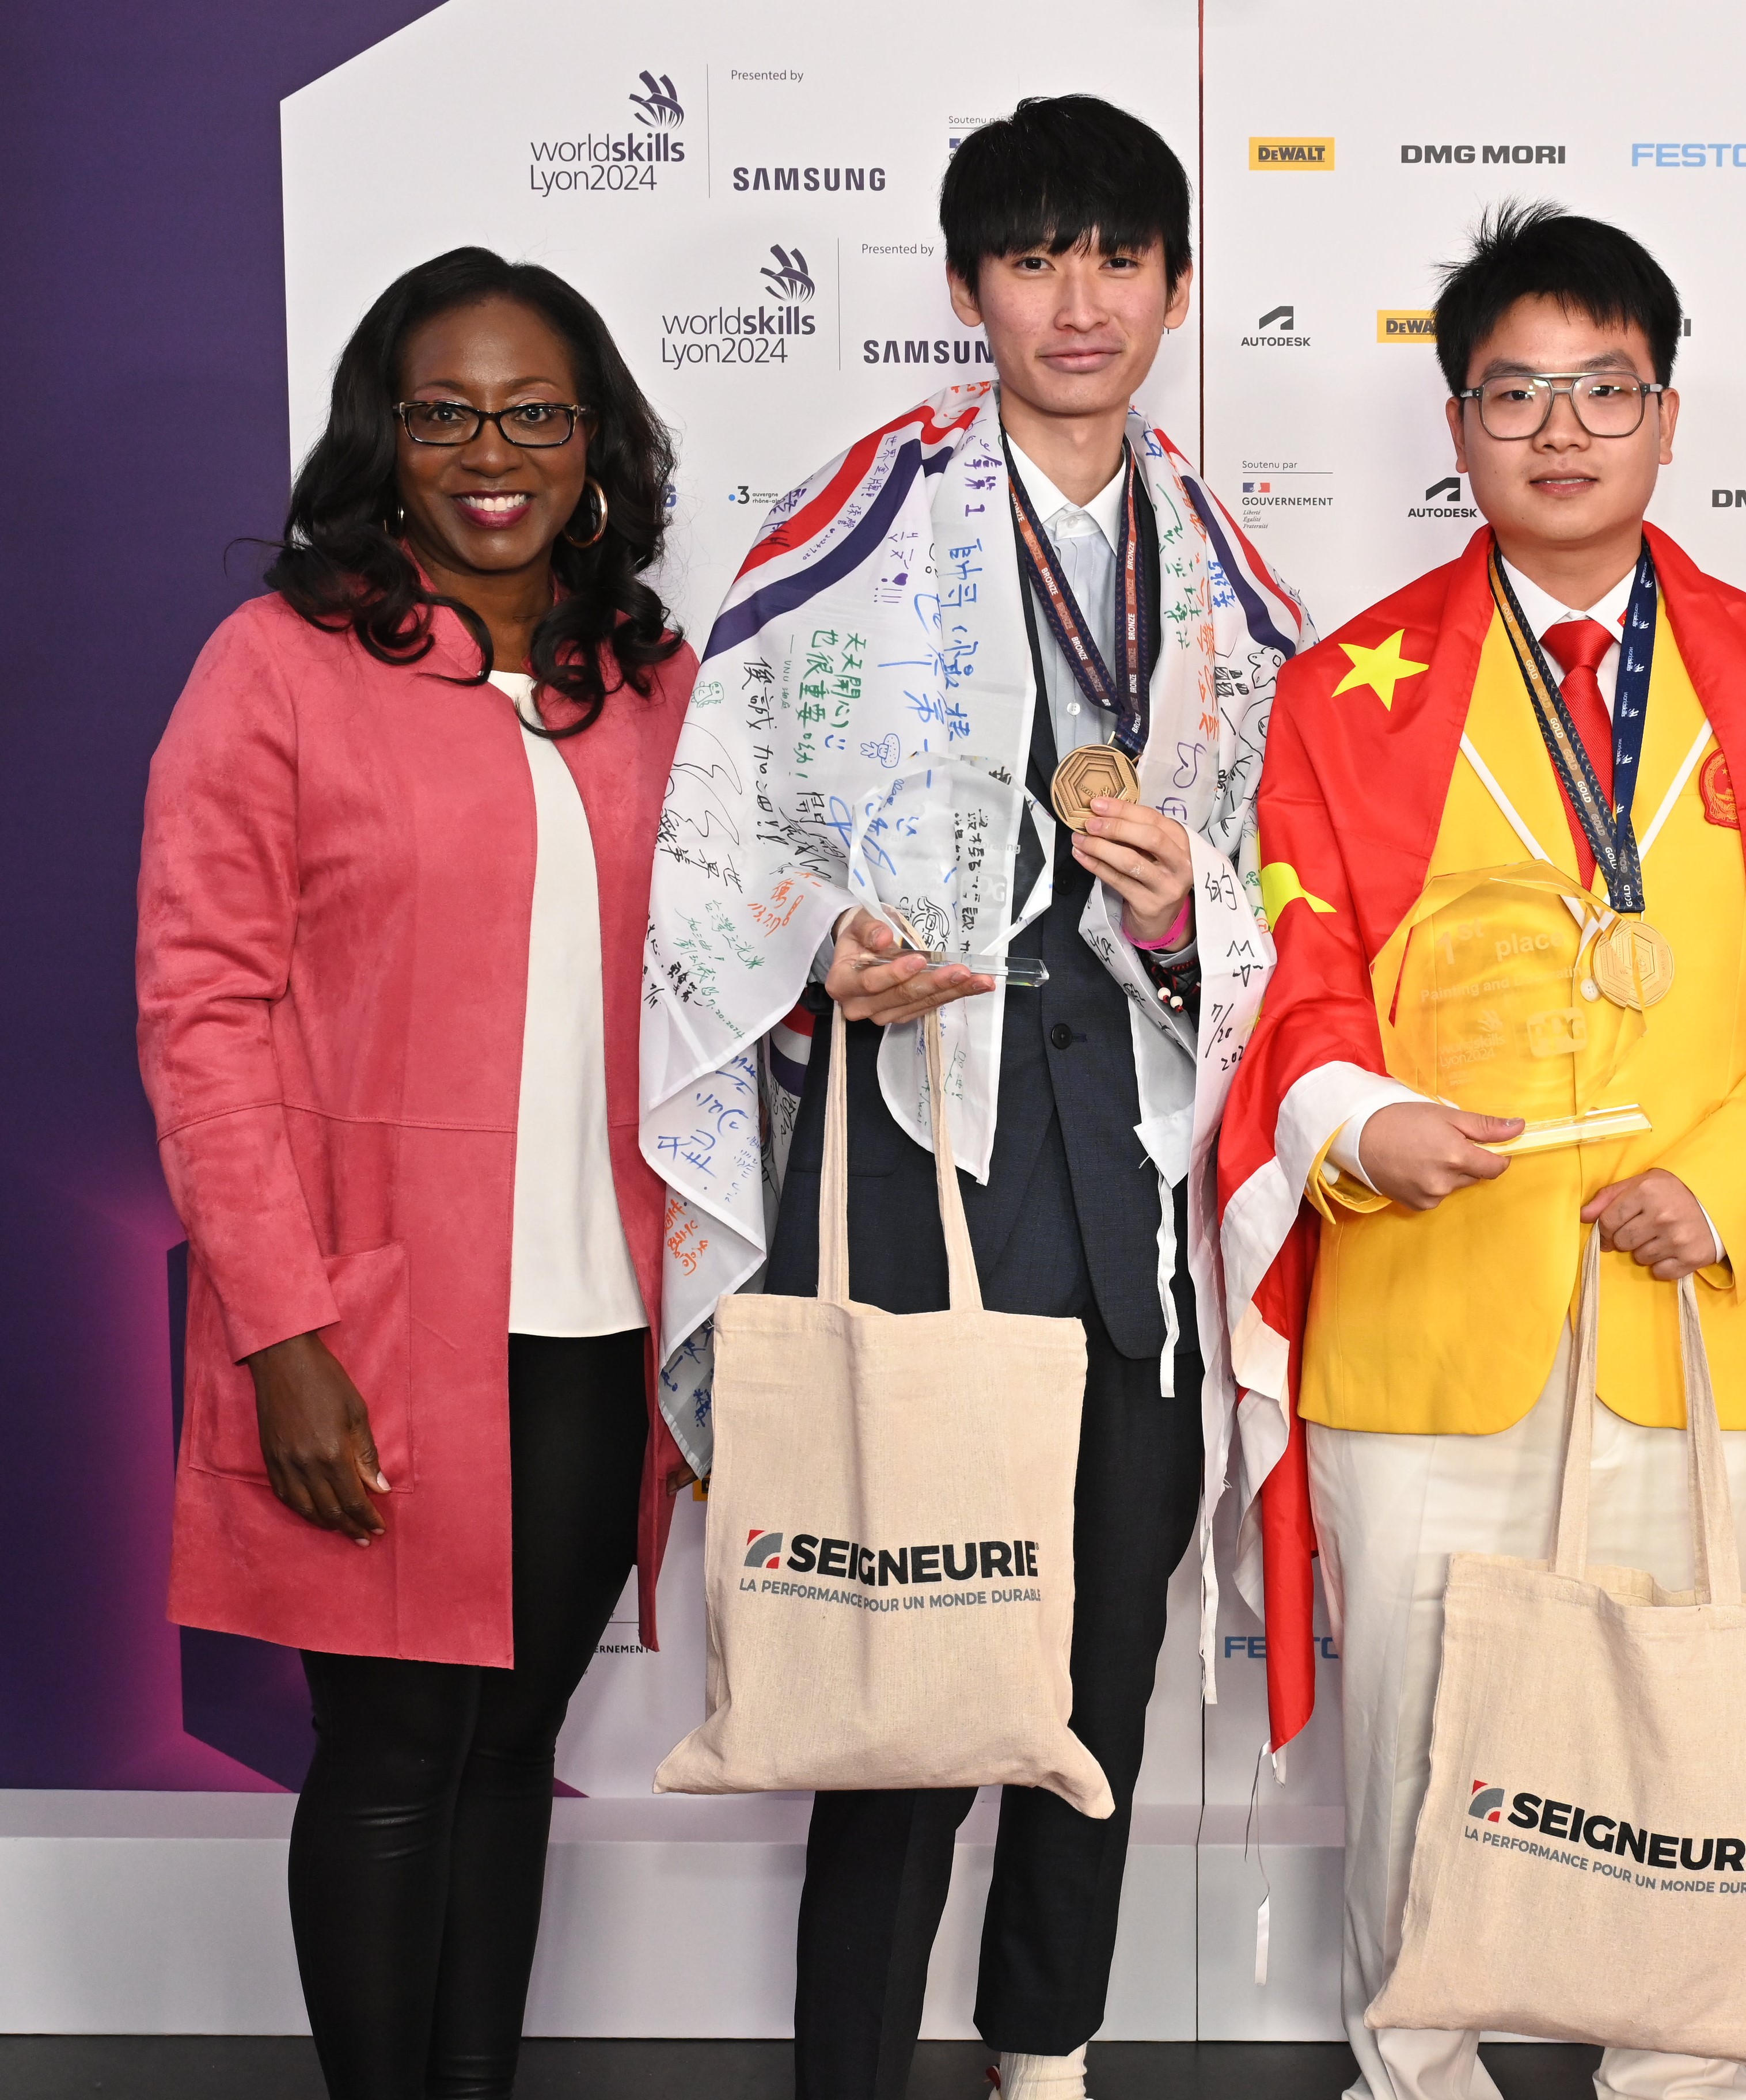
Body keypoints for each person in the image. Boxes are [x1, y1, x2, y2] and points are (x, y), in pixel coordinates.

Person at [1213, 203, 1746, 2100]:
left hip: (1707, 1305)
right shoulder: (1344, 689)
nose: (1560, 429)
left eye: (1601, 388)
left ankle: (1683, 2074)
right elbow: (1289, 977)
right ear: (1456, 426)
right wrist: (1361, 1123)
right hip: (1426, 1309)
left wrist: (1734, 1180)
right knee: (1419, 1763)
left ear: (1668, 413)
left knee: (1690, 1762)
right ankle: (1416, 2073)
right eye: (1513, 391)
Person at [638, 94, 1308, 2100]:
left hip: (1128, 1174)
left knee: (1096, 1665)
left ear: (1178, 290)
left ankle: (1048, 2055)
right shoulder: (862, 514)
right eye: (1032, 259)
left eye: (1117, 258)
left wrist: (1198, 924)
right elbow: (713, 822)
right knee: (904, 1642)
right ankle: (844, 2067)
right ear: (963, 289)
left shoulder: (1216, 564)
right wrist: (814, 937)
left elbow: (1292, 885)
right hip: (912, 1143)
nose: (1077, 299)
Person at [137, 248, 693, 2098]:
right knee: (386, 1762)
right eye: (445, 411)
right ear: (385, 438)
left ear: (593, 441)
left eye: (535, 412)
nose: (492, 452)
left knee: (507, 1748)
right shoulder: (275, 667)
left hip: (594, 1320)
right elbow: (201, 1015)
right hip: (369, 1329)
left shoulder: (648, 682)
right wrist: (283, 1334)